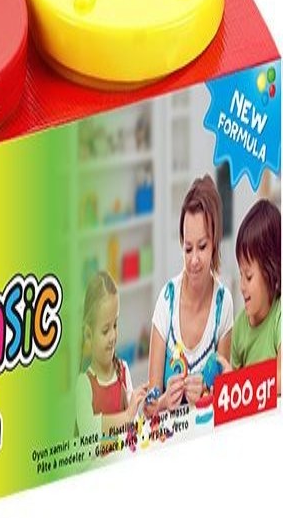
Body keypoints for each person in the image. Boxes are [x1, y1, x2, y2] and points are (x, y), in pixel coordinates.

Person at [147, 175, 233, 412]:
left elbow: (223, 396)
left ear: (214, 242)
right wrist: (164, 401)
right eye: (188, 248)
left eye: (202, 246)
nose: (194, 260)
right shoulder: (167, 300)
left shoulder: (223, 303)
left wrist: (206, 392)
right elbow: (148, 407)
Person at [76, 271, 147, 439]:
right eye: (105, 330)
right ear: (88, 335)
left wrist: (144, 409)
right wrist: (127, 416)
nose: (113, 336)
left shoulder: (123, 371)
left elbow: (134, 427)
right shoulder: (84, 385)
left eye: (115, 325)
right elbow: (88, 429)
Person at [231, 199, 281, 394]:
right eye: (240, 275)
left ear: (270, 271)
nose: (242, 286)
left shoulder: (279, 316)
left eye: (249, 276)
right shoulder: (239, 328)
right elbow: (231, 392)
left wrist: (240, 382)